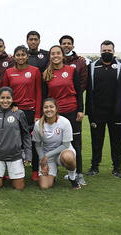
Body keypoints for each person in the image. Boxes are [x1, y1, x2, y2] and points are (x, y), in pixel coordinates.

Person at [85, 40, 121, 178]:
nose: (106, 53)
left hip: (116, 112)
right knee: (96, 141)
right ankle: (94, 167)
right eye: (104, 51)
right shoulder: (92, 66)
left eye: (109, 51)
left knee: (117, 141)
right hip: (97, 112)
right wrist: (89, 110)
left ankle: (117, 168)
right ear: (100, 51)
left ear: (113, 51)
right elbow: (88, 88)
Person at [42, 45, 85, 185]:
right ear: (50, 56)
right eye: (52, 54)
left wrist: (80, 109)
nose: (55, 56)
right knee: (55, 141)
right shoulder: (46, 74)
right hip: (54, 114)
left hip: (72, 111)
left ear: (63, 55)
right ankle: (53, 169)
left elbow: (79, 92)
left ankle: (78, 173)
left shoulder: (71, 70)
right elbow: (45, 96)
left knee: (75, 143)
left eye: (58, 53)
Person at [2, 45, 42, 181]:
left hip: (30, 111)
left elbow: (38, 92)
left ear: (27, 56)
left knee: (33, 141)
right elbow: (5, 93)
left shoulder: (35, 71)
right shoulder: (8, 72)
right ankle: (13, 169)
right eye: (18, 55)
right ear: (14, 56)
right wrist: (11, 107)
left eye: (23, 55)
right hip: (14, 111)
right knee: (14, 142)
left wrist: (37, 114)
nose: (20, 57)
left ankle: (35, 170)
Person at [0, 87, 32, 190]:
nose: (5, 101)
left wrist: (28, 155)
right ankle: (0, 174)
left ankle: (9, 174)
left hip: (15, 155)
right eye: (2, 98)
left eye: (8, 98)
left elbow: (26, 134)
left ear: (12, 99)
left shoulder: (19, 113)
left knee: (19, 187)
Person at [33, 98, 81, 189]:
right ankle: (53, 173)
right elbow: (38, 144)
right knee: (44, 186)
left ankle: (72, 178)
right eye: (46, 107)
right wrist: (43, 160)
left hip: (63, 152)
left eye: (51, 107)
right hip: (47, 155)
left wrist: (46, 156)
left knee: (68, 158)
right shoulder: (38, 124)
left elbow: (66, 145)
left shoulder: (65, 122)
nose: (49, 109)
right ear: (42, 109)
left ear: (56, 109)